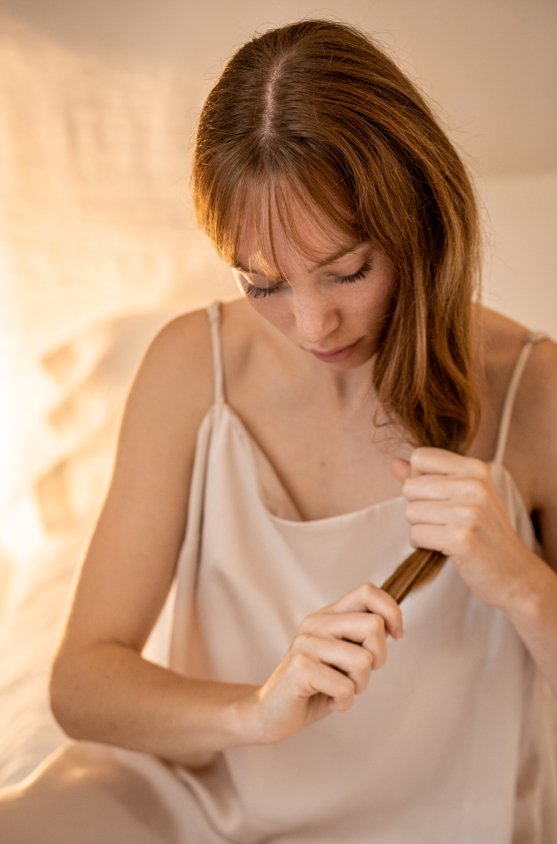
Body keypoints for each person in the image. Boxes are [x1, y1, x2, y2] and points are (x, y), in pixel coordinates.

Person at [1, 17, 556, 844]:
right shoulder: (194, 366)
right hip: (194, 803)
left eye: (346, 271)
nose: (310, 322)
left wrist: (519, 582)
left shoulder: (532, 388)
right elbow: (81, 685)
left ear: (419, 226)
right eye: (261, 282)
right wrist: (257, 712)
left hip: (441, 820)